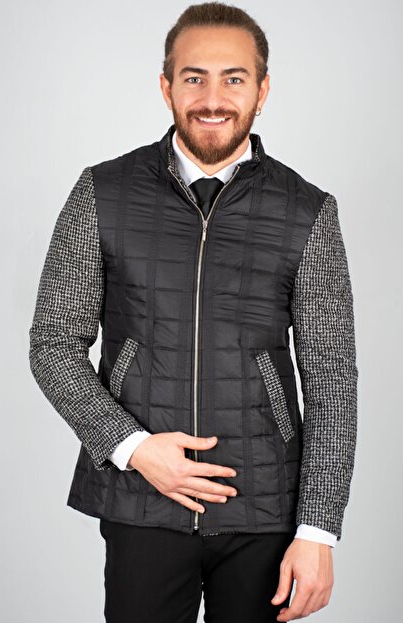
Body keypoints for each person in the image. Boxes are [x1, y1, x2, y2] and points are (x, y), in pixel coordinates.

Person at [28, 2, 358, 622]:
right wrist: (131, 446)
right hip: (142, 499)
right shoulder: (102, 192)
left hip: (263, 506)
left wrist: (319, 530)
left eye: (234, 79)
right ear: (166, 87)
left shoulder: (307, 211)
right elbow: (52, 344)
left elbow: (332, 379)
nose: (213, 99)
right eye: (193, 78)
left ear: (262, 90)